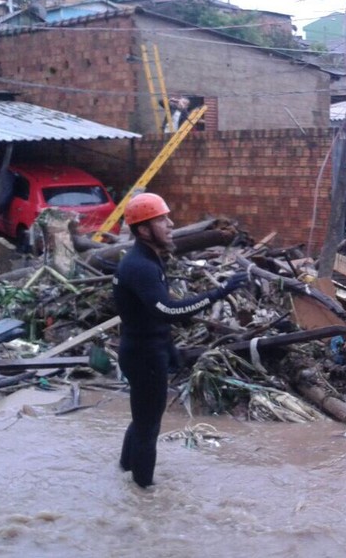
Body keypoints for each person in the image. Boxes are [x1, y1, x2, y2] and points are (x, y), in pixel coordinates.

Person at [112, 193, 249, 488]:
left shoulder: (146, 258)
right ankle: (143, 498)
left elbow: (150, 315)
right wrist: (219, 292)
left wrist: (168, 347)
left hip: (145, 348)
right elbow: (167, 309)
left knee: (142, 418)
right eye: (162, 219)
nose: (171, 224)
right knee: (149, 427)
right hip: (143, 356)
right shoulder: (142, 266)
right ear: (144, 230)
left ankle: (123, 472)